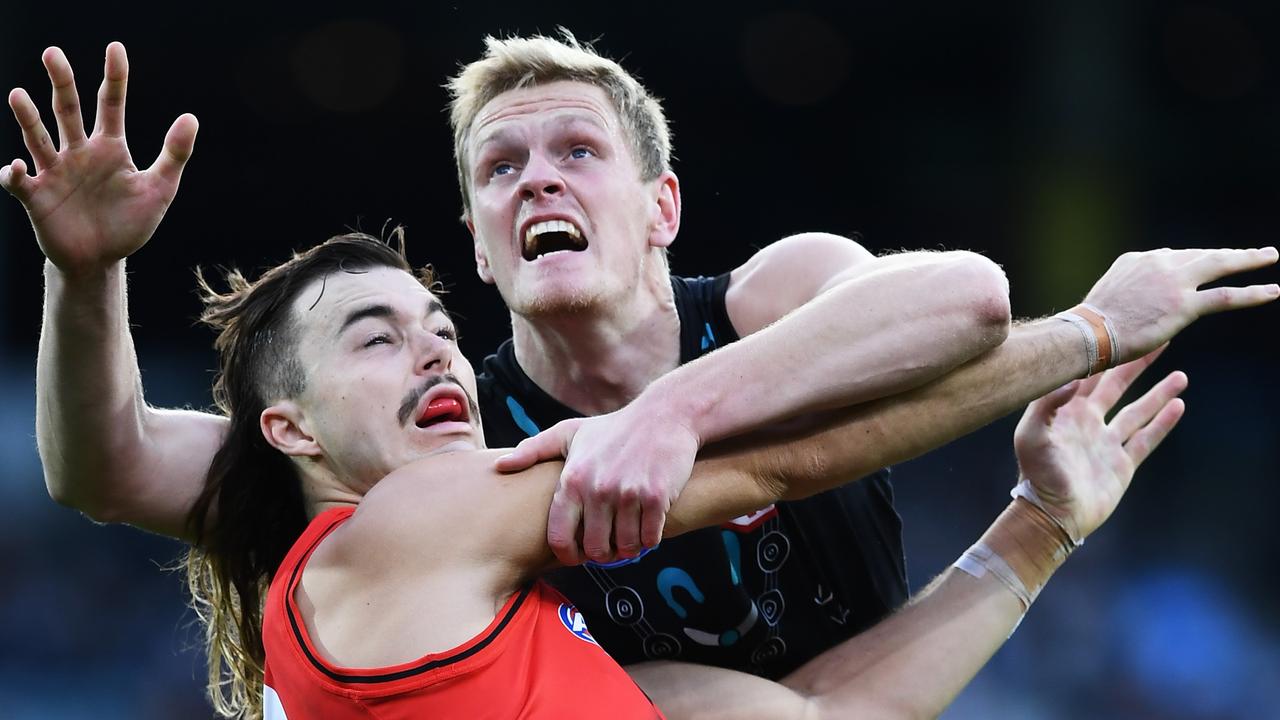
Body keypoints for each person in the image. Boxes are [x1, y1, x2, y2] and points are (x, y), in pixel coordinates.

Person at [3, 36, 1276, 715]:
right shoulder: (444, 451)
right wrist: (84, 275)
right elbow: (107, 466)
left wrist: (667, 412)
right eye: (499, 170)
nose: (537, 180)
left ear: (661, 205)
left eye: (576, 151)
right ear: (483, 253)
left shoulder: (774, 295)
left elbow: (965, 300)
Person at [195, 228, 1186, 719]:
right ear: (289, 430)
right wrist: (1086, 334)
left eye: (444, 332)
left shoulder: (540, 656)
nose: (436, 356)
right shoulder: (407, 524)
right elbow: (789, 464)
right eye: (375, 339)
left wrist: (1041, 521)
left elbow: (828, 716)